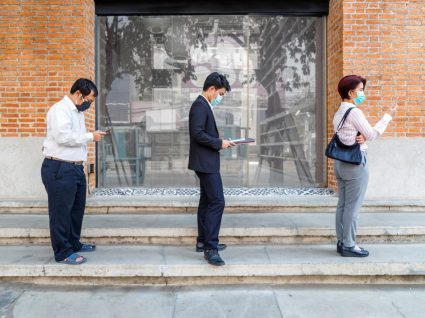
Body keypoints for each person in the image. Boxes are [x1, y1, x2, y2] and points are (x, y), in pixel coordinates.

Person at [41, 78, 106, 265]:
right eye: (89, 100)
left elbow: (76, 138)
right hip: (59, 167)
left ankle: (73, 243)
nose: (89, 104)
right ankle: (62, 252)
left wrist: (89, 136)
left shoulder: (77, 112)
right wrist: (89, 136)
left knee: (76, 210)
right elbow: (63, 137)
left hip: (75, 167)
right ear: (79, 94)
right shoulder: (59, 110)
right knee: (61, 211)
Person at [333, 75, 397, 257]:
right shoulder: (354, 112)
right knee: (353, 207)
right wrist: (388, 116)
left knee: (343, 205)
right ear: (351, 92)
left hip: (340, 163)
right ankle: (349, 245)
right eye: (360, 90)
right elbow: (372, 133)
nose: (362, 93)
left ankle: (342, 241)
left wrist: (362, 135)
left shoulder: (339, 113)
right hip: (355, 163)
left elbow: (348, 136)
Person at [188, 72, 235, 266]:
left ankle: (202, 241)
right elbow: (197, 134)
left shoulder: (203, 105)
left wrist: (221, 142)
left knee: (207, 202)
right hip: (205, 164)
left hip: (205, 162)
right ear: (212, 89)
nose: (220, 98)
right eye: (220, 93)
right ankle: (210, 248)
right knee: (217, 202)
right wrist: (219, 143)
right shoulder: (200, 106)